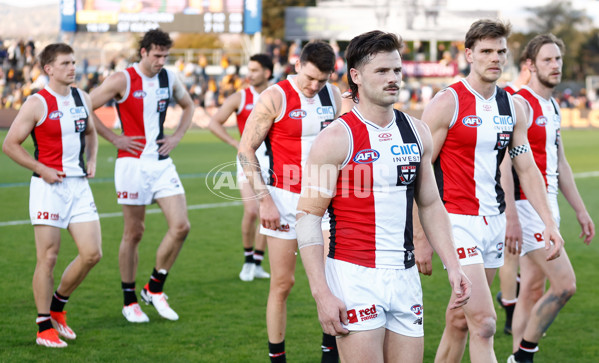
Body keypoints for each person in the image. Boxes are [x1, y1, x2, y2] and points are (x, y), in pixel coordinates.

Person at [296, 30, 471, 363]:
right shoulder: (334, 138)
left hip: (405, 277)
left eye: (397, 70)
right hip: (353, 275)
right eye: (382, 71)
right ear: (356, 76)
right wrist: (321, 293)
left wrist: (453, 265)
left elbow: (431, 204)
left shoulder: (417, 132)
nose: (393, 78)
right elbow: (307, 217)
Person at [413, 19, 565, 363]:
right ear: (469, 54)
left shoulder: (512, 107)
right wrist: (421, 236)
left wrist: (549, 223)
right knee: (484, 323)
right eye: (486, 51)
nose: (494, 58)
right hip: (456, 222)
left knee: (459, 321)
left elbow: (526, 168)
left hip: (493, 223)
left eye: (500, 51)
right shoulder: (447, 102)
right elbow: (420, 171)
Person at [237, 41, 342, 362]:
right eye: (310, 77)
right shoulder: (274, 97)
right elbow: (245, 150)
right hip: (283, 200)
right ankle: (277, 358)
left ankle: (330, 354)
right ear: (297, 64)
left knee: (332, 282)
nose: (314, 86)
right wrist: (265, 200)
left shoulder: (334, 96)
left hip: (325, 202)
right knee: (283, 284)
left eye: (322, 80)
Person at [90, 29, 194, 323]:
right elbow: (86, 105)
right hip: (131, 165)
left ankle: (154, 288)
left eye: (165, 55)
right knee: (134, 233)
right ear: (144, 52)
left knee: (181, 226)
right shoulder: (123, 79)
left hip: (161, 163)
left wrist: (178, 136)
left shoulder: (169, 78)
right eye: (157, 55)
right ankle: (129, 300)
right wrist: (114, 138)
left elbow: (188, 106)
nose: (161, 61)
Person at [2, 43, 102, 347]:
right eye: (65, 63)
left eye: (74, 61)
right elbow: (10, 144)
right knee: (48, 258)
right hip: (48, 188)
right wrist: (40, 168)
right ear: (49, 69)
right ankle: (43, 326)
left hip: (78, 186)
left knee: (92, 254)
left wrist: (93, 160)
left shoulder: (82, 97)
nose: (73, 68)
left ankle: (58, 307)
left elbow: (91, 133)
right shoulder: (37, 102)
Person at [505, 33, 595, 363]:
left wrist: (581, 212)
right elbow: (504, 162)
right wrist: (512, 213)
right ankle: (524, 354)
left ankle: (517, 356)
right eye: (547, 60)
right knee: (565, 285)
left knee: (531, 290)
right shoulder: (519, 102)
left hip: (547, 204)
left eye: (558, 59)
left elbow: (561, 163)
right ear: (529, 65)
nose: (555, 65)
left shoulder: (553, 104)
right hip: (528, 206)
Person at [207, 54, 274, 281]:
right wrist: (237, 144)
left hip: (274, 161)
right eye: (249, 69)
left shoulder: (278, 95)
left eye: (254, 70)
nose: (249, 74)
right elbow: (213, 122)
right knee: (252, 211)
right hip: (247, 160)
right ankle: (247, 260)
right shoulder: (240, 97)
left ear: (266, 72)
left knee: (269, 211)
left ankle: (257, 262)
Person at [496, 51, 532, 335]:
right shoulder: (509, 97)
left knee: (530, 259)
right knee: (511, 254)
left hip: (533, 191)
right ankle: (510, 314)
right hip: (512, 192)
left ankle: (521, 310)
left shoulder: (544, 101)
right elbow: (505, 158)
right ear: (528, 66)